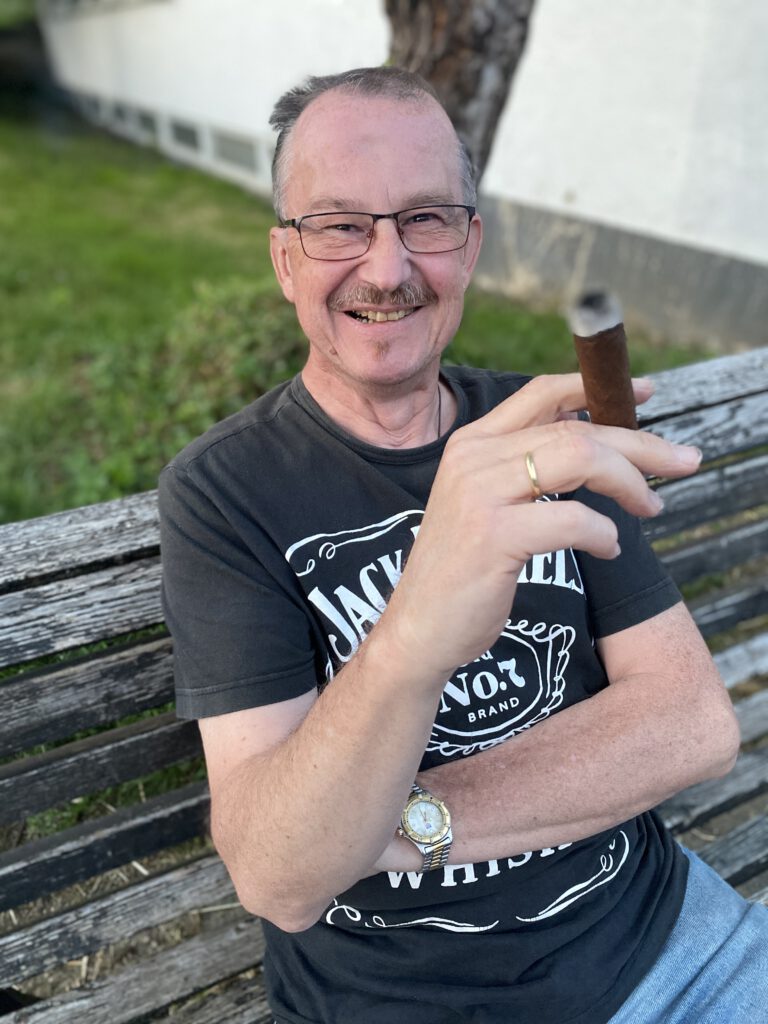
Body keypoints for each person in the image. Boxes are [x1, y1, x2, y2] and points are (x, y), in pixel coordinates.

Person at [159, 67, 767, 1024]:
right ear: (285, 259)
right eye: (340, 225)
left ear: (471, 245)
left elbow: (690, 724)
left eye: (427, 220)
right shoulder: (226, 493)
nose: (387, 267)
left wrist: (381, 829)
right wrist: (413, 634)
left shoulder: (539, 427)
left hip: (676, 951)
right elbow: (279, 873)